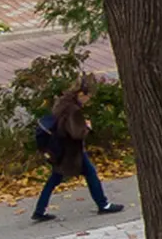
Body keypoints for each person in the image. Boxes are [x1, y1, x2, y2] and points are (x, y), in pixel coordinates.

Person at [35, 75, 125, 223]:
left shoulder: (62, 102)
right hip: (71, 151)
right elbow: (76, 133)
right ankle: (103, 204)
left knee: (55, 178)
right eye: (88, 97)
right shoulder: (73, 110)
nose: (88, 100)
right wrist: (87, 127)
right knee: (91, 173)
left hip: (59, 148)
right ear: (81, 94)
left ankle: (39, 210)